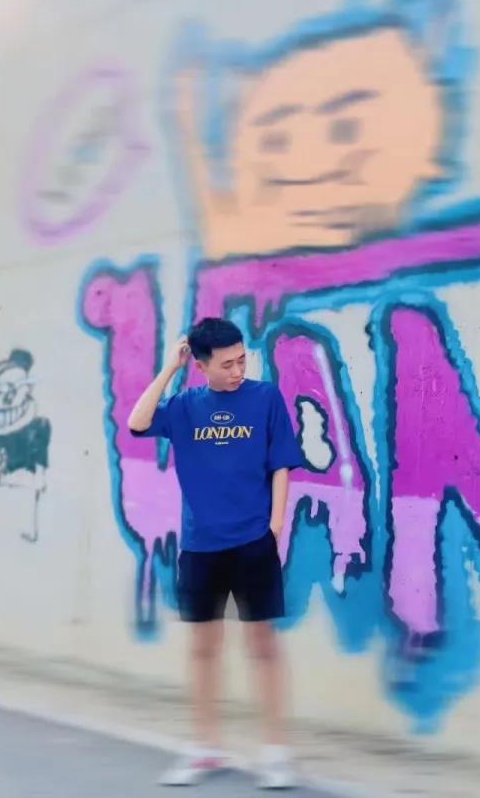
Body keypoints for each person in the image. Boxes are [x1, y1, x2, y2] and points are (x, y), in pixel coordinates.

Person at [127, 317, 304, 788]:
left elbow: (281, 464)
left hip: (253, 542)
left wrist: (275, 525)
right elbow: (137, 421)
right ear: (201, 366)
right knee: (204, 649)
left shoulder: (265, 398)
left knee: (263, 645)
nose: (238, 370)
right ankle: (205, 748)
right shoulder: (185, 407)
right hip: (200, 546)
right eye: (227, 364)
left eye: (242, 360)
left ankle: (275, 752)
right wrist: (170, 368)